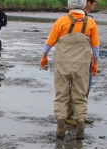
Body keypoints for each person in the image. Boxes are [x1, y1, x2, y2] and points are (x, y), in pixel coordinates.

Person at [40, 0, 99, 139]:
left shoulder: (61, 21)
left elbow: (49, 42)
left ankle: (60, 130)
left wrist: (44, 57)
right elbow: (95, 48)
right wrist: (95, 64)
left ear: (69, 6)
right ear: (84, 5)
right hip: (82, 66)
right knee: (80, 97)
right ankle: (80, 131)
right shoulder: (90, 23)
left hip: (62, 65)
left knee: (61, 97)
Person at [66, 0, 97, 127]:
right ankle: (70, 116)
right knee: (75, 87)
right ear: (87, 3)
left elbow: (94, 43)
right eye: (94, 1)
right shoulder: (73, 18)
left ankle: (80, 115)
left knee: (87, 87)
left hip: (86, 58)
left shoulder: (89, 19)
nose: (95, 4)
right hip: (77, 58)